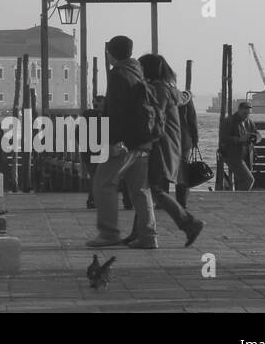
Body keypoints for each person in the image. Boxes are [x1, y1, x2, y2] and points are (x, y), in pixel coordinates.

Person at [86, 36, 155, 248]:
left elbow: (116, 112)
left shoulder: (118, 74)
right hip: (143, 139)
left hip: (124, 142)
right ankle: (148, 236)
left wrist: (113, 140)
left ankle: (109, 233)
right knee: (140, 190)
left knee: (103, 184)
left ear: (111, 52)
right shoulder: (138, 71)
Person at [132, 55, 204, 247]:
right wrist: (188, 93)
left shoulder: (157, 90)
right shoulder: (169, 89)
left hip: (158, 146)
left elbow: (155, 118)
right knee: (143, 188)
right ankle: (138, 232)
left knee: (152, 189)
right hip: (169, 146)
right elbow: (183, 97)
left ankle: (189, 223)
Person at [219, 101, 258, 190]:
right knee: (248, 179)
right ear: (239, 110)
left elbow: (257, 134)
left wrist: (255, 138)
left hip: (246, 155)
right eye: (245, 113)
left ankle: (237, 199)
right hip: (232, 155)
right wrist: (239, 139)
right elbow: (223, 138)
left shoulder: (249, 122)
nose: (246, 115)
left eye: (249, 113)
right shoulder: (229, 121)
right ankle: (241, 198)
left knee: (241, 180)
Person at [175, 82, 200, 207]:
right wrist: (195, 138)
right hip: (184, 139)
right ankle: (182, 200)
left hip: (167, 139)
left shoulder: (159, 95)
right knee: (183, 169)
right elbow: (192, 120)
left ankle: (161, 200)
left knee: (163, 170)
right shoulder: (186, 98)